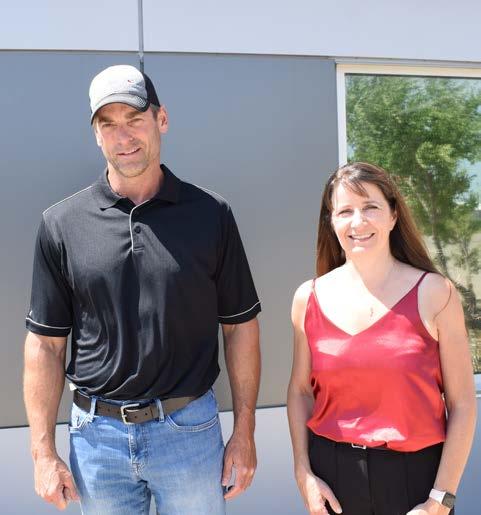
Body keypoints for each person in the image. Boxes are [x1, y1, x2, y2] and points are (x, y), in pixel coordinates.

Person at [23, 64, 261, 514]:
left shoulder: (211, 215)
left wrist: (245, 431)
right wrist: (42, 452)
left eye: (134, 119)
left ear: (161, 119)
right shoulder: (61, 224)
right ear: (96, 135)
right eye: (108, 124)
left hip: (189, 431)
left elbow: (240, 327)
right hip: (97, 441)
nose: (124, 136)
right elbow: (45, 345)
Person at [287, 162, 476, 515]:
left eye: (370, 207)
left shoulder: (436, 294)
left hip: (417, 484)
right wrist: (304, 473)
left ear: (393, 215)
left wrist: (440, 500)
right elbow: (300, 392)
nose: (358, 222)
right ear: (331, 222)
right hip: (333, 481)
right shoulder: (307, 299)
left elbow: (463, 403)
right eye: (345, 211)